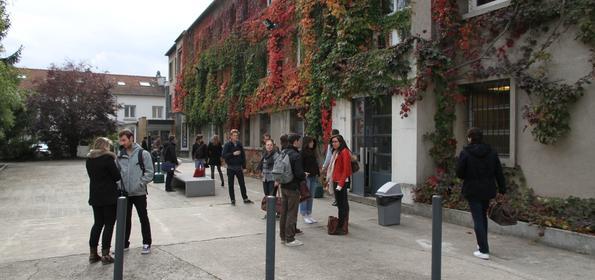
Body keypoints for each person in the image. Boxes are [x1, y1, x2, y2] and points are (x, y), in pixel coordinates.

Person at [456, 127, 506, 260]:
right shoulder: (492, 152)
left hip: (472, 189)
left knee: (478, 218)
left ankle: (483, 250)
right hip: (488, 190)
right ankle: (482, 244)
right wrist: (502, 189)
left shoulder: (465, 153)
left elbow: (459, 173)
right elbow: (499, 172)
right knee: (482, 217)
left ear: (470, 138)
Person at [117, 129, 154, 254]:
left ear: (131, 138)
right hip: (125, 193)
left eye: (124, 140)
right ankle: (124, 244)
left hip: (139, 193)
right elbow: (117, 173)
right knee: (125, 219)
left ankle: (146, 243)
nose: (122, 143)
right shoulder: (119, 154)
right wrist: (119, 185)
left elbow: (150, 173)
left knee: (143, 218)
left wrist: (140, 184)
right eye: (120, 140)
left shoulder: (143, 154)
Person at [86, 137, 121, 264]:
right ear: (105, 146)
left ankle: (93, 253)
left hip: (95, 196)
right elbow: (117, 176)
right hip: (109, 196)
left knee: (97, 223)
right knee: (109, 224)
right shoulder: (108, 159)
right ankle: (106, 255)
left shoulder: (89, 159)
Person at [279, 133, 306, 247]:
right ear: (295, 141)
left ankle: (283, 236)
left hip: (284, 185)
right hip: (293, 187)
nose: (300, 142)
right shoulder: (296, 155)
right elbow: (299, 173)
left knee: (283, 212)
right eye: (299, 140)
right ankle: (290, 238)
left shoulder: (283, 152)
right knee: (292, 213)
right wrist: (304, 175)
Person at [328, 134, 352, 235]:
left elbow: (346, 170)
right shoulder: (336, 152)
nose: (334, 143)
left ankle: (342, 226)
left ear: (341, 142)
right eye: (332, 142)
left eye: (336, 141)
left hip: (341, 182)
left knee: (342, 205)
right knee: (340, 205)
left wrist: (340, 184)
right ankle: (343, 225)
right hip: (336, 180)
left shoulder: (344, 152)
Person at [222, 129, 253, 205]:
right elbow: (224, 155)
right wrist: (233, 154)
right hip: (231, 168)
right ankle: (232, 199)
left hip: (239, 167)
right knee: (231, 184)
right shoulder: (227, 145)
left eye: (237, 135)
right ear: (231, 136)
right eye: (234, 135)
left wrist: (244, 167)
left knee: (242, 184)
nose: (236, 137)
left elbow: (243, 155)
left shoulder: (239, 144)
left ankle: (245, 198)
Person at [300, 136, 320, 224]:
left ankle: (309, 213)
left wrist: (318, 173)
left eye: (313, 142)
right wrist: (303, 173)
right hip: (306, 177)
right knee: (305, 196)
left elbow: (315, 164)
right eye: (311, 142)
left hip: (313, 176)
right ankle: (304, 214)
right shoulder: (302, 153)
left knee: (311, 196)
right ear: (306, 143)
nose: (312, 143)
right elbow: (300, 165)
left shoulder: (313, 152)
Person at [258, 138, 280, 219]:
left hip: (273, 179)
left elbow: (278, 168)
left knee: (272, 196)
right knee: (267, 196)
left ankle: (271, 214)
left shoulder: (276, 155)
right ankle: (270, 212)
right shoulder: (264, 154)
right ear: (265, 146)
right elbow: (262, 165)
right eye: (268, 145)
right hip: (265, 178)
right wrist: (261, 172)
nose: (269, 146)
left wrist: (277, 180)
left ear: (273, 146)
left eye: (271, 145)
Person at [323, 129, 340, 206]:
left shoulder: (331, 144)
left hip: (334, 166)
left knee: (333, 183)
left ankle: (337, 199)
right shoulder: (342, 143)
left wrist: (324, 167)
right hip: (340, 167)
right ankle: (339, 199)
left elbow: (328, 157)